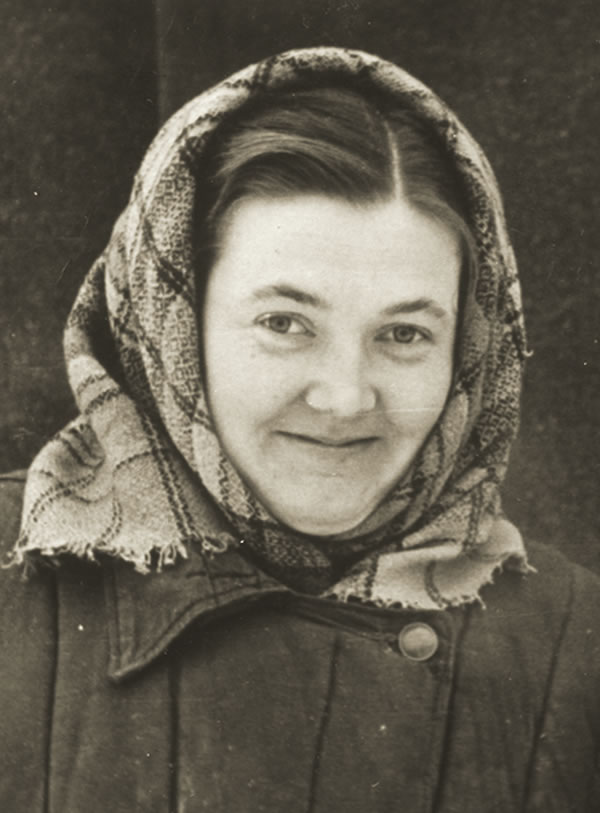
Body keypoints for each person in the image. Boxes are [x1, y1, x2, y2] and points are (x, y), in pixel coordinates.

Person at [0, 46, 598, 812]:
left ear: (467, 353)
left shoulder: (573, 648)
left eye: (405, 334)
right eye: (285, 323)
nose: (345, 397)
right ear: (173, 330)